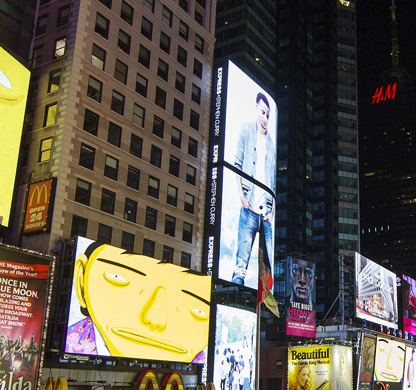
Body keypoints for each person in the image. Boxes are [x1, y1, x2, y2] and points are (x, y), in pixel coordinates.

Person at [65, 242, 212, 363]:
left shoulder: (199, 359)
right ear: (81, 280)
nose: (156, 320)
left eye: (197, 311)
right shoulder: (72, 342)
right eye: (118, 278)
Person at [232, 92, 276, 285]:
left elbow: (273, 180)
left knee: (267, 278)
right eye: (263, 112)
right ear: (256, 109)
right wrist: (241, 195)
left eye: (268, 115)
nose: (265, 118)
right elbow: (236, 164)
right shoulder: (246, 131)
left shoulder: (272, 145)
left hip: (265, 216)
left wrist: (272, 211)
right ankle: (233, 299)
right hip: (249, 209)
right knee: (240, 267)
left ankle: (263, 313)